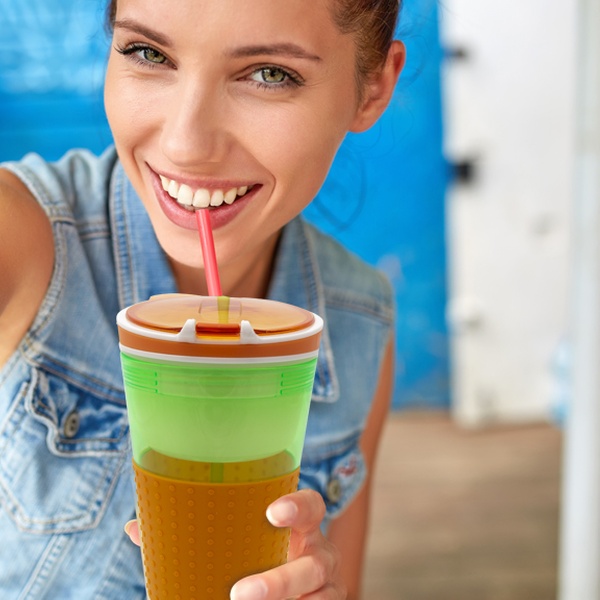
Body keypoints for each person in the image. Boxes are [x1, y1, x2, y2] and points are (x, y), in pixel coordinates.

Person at [0, 0, 404, 598]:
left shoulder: (358, 321)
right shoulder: (23, 237)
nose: (187, 144)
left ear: (372, 89)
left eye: (269, 73)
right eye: (148, 53)